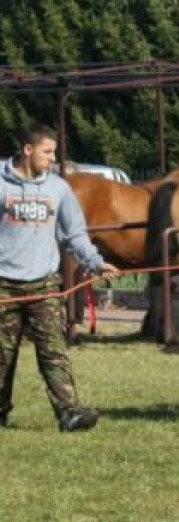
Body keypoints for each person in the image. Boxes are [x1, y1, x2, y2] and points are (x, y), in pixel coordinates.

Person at [0, 123, 120, 432]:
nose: (53, 159)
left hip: (44, 285)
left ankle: (69, 414)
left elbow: (75, 234)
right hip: (3, 285)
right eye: (47, 152)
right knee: (2, 357)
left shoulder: (58, 189)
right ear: (28, 150)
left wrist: (95, 262)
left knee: (54, 352)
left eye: (54, 152)